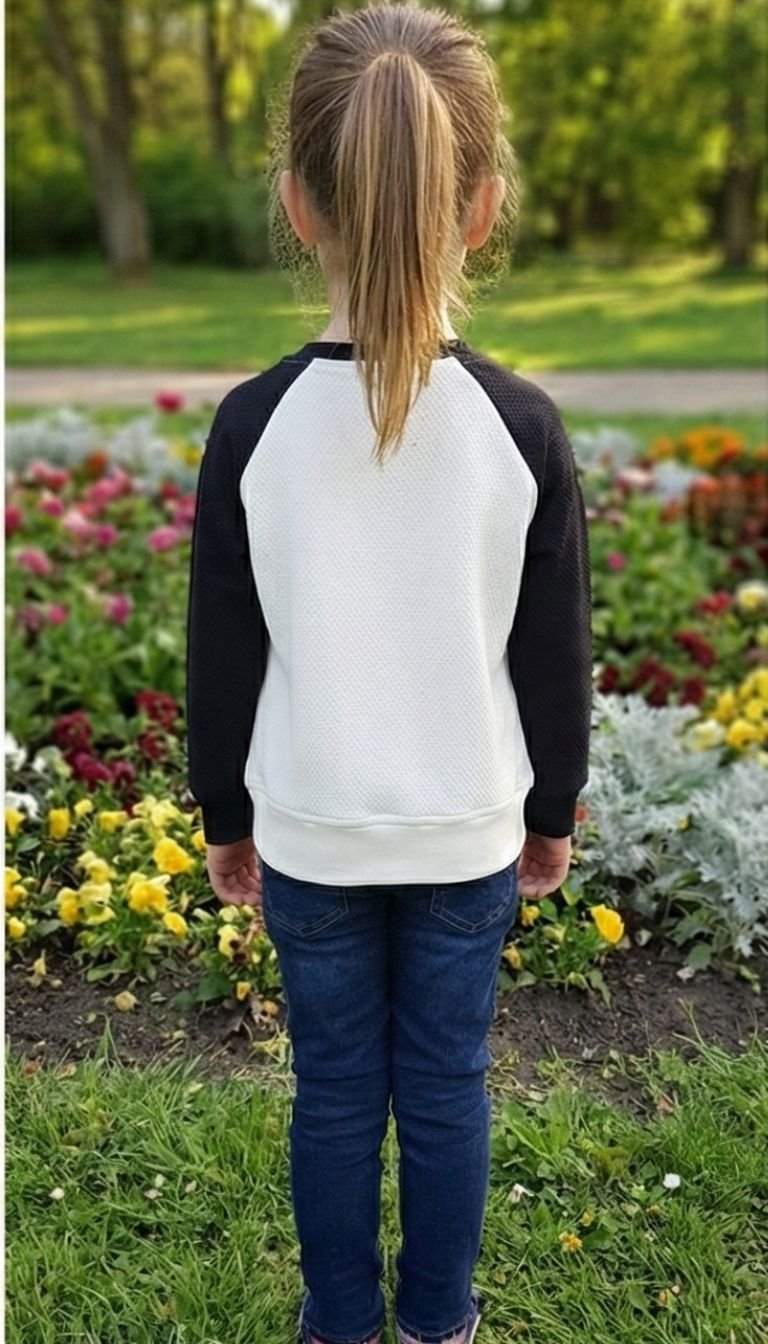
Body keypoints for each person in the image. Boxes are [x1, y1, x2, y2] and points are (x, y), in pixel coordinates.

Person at [185, 3, 593, 1342]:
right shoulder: (519, 426)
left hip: (311, 832)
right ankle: (437, 1324)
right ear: (481, 207)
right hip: (467, 831)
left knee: (336, 1094)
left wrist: (226, 818)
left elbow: (224, 653)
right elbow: (553, 655)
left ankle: (341, 1325)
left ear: (299, 204)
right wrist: (550, 812)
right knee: (448, 1089)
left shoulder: (253, 426)